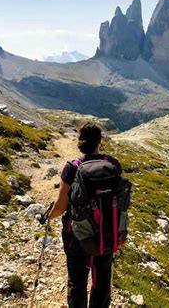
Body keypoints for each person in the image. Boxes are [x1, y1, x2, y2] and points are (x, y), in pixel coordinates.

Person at [48, 122, 122, 308]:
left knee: (77, 282)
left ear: (79, 141)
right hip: (107, 232)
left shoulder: (72, 168)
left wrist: (48, 216)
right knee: (102, 280)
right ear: (99, 141)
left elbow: (60, 206)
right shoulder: (112, 164)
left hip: (78, 236)